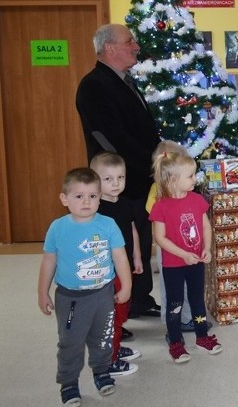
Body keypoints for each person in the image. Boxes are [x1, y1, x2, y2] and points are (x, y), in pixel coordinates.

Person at [76, 23, 162, 319]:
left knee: (140, 241)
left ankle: (139, 299)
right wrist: (152, 161)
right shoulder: (93, 85)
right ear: (110, 48)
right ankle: (115, 312)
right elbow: (114, 138)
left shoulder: (124, 79)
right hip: (116, 184)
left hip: (138, 180)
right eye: (130, 42)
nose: (136, 46)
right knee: (118, 247)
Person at [38, 168, 132, 406]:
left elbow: (120, 257)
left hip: (103, 294)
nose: (87, 202)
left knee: (103, 337)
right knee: (70, 341)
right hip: (70, 298)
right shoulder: (57, 228)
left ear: (100, 198)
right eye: (79, 196)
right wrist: (42, 291)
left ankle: (101, 372)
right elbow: (49, 260)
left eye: (92, 196)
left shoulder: (108, 225)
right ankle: (69, 382)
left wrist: (126, 285)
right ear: (64, 199)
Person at [149, 149, 223, 363]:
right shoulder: (160, 206)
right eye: (190, 176)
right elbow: (160, 238)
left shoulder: (197, 199)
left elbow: (206, 227)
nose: (195, 179)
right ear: (173, 180)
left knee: (197, 299)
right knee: (175, 303)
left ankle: (202, 337)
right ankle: (175, 341)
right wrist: (184, 254)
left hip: (196, 261)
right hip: (174, 264)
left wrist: (206, 249)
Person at [89, 152, 144, 377]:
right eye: (108, 179)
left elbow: (132, 231)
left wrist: (138, 257)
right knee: (109, 315)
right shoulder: (95, 209)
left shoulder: (126, 204)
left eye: (120, 178)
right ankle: (108, 361)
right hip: (106, 272)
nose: (115, 184)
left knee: (121, 311)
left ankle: (115, 347)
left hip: (124, 267)